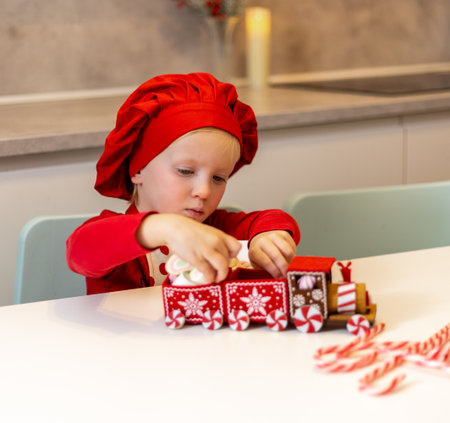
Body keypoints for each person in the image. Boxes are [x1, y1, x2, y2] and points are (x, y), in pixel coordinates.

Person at [66, 73, 300, 294]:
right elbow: (80, 251)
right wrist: (163, 228)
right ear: (137, 169)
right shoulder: (112, 231)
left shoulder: (217, 226)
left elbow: (271, 219)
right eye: (186, 171)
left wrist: (267, 237)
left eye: (218, 178)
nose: (204, 191)